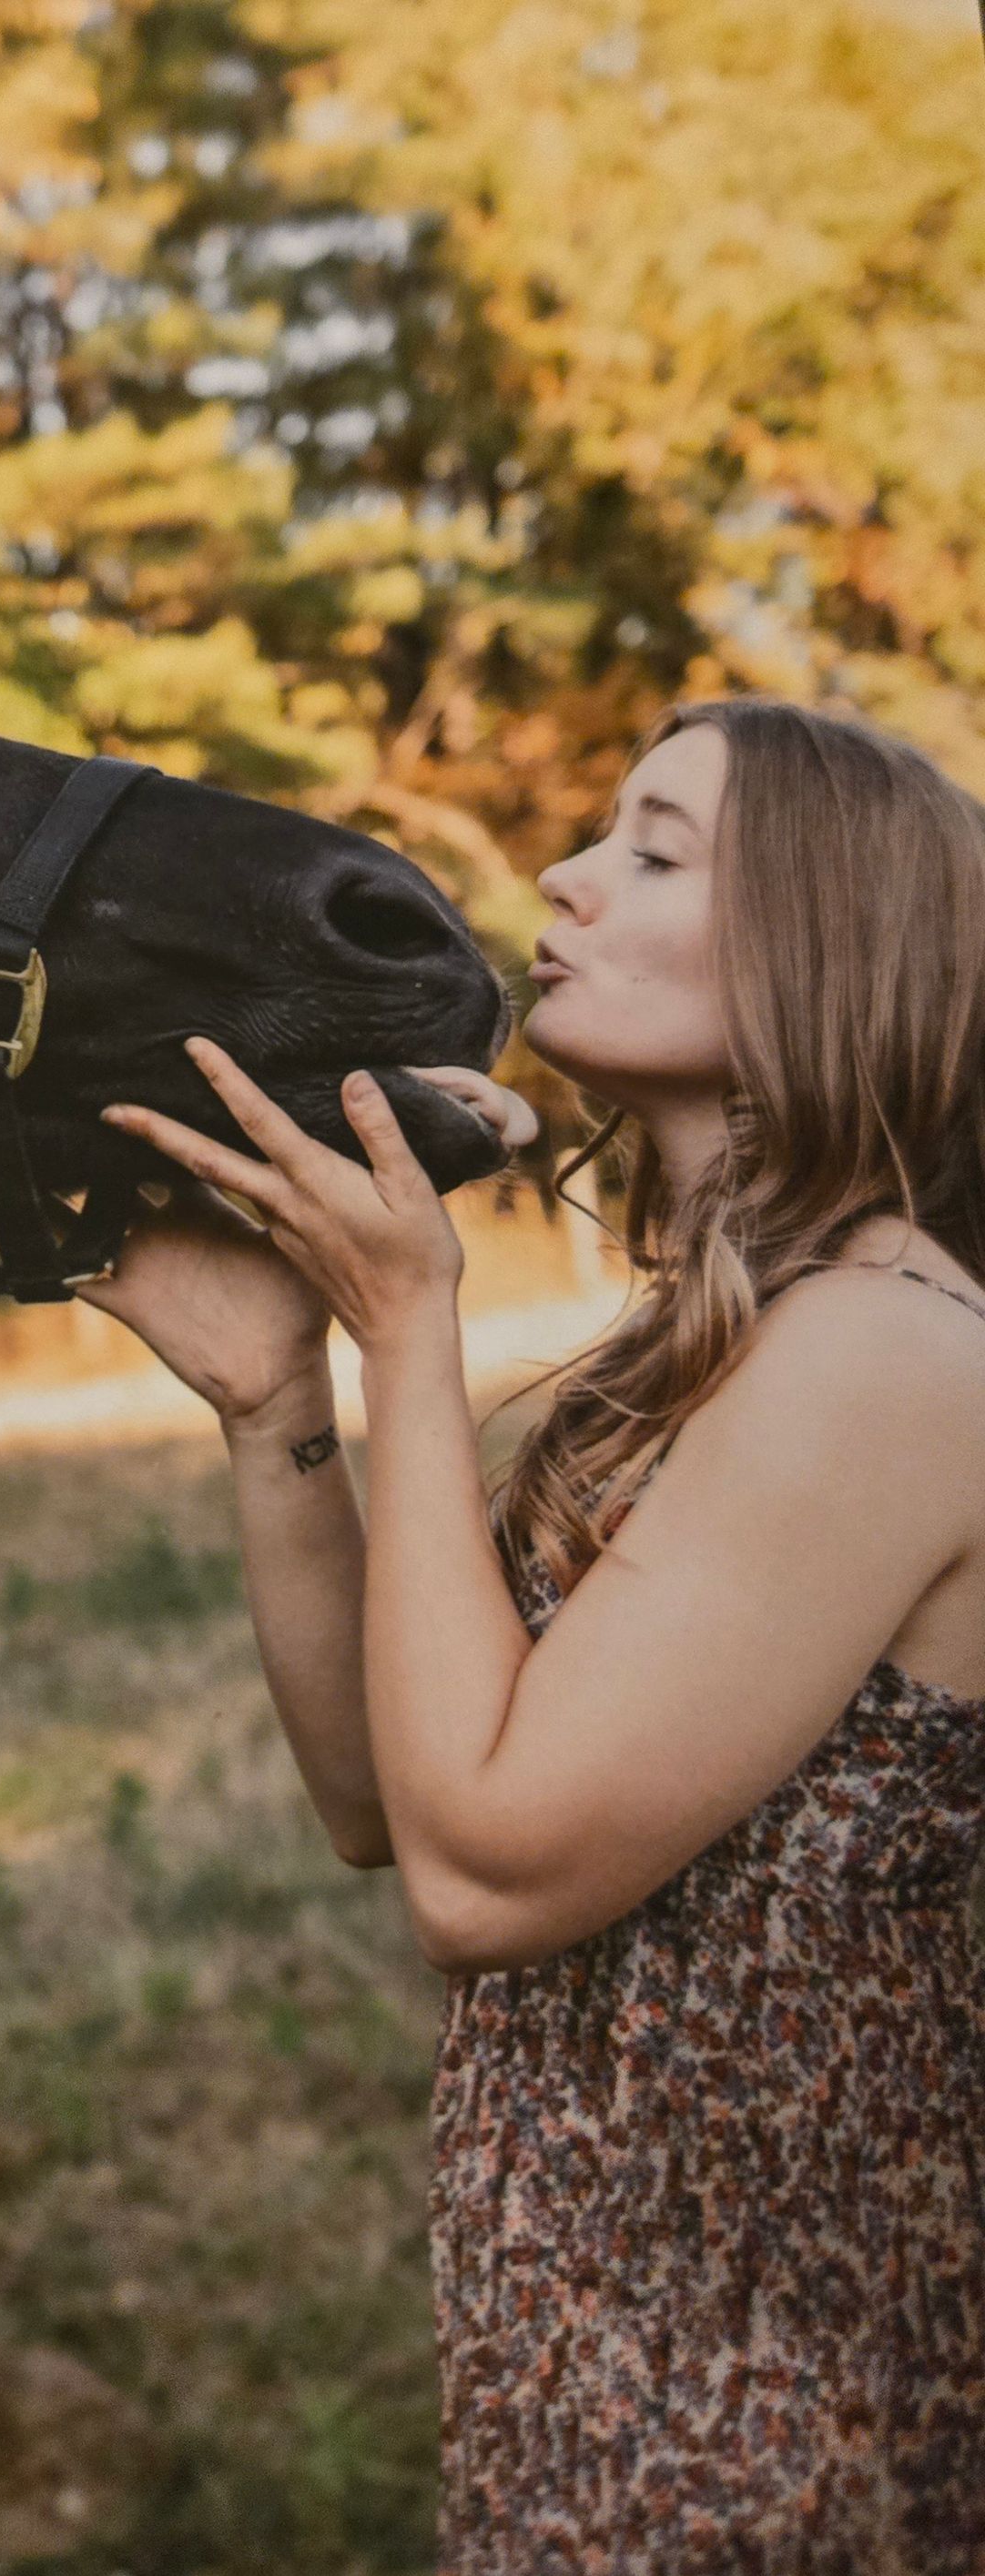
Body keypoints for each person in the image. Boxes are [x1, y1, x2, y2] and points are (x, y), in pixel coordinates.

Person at [78, 695, 985, 2572]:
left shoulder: (884, 1355)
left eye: (655, 850)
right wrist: (280, 1400)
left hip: (768, 2431)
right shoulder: (724, 1343)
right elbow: (389, 1795)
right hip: (598, 2368)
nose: (565, 876)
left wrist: (413, 1333)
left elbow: (484, 1878)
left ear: (827, 942)